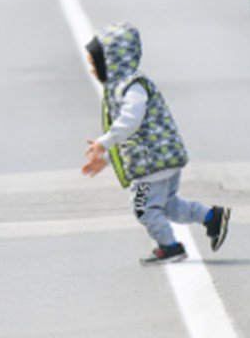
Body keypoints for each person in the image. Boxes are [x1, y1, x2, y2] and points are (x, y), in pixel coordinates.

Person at [81, 22, 231, 265]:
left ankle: (169, 247)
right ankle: (211, 216)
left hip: (152, 162)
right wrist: (106, 160)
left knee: (144, 209)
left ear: (110, 61)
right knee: (168, 206)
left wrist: (104, 142)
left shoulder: (132, 87)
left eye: (93, 64)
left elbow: (131, 120)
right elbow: (131, 136)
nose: (91, 70)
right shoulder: (122, 87)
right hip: (159, 159)